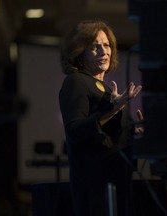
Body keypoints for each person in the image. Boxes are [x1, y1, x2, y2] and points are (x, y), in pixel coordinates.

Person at [59, 19, 143, 216]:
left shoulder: (106, 89)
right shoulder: (76, 82)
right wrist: (113, 109)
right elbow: (74, 131)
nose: (104, 51)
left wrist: (135, 132)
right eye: (95, 47)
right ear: (80, 53)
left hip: (118, 179)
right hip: (95, 185)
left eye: (107, 45)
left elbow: (112, 136)